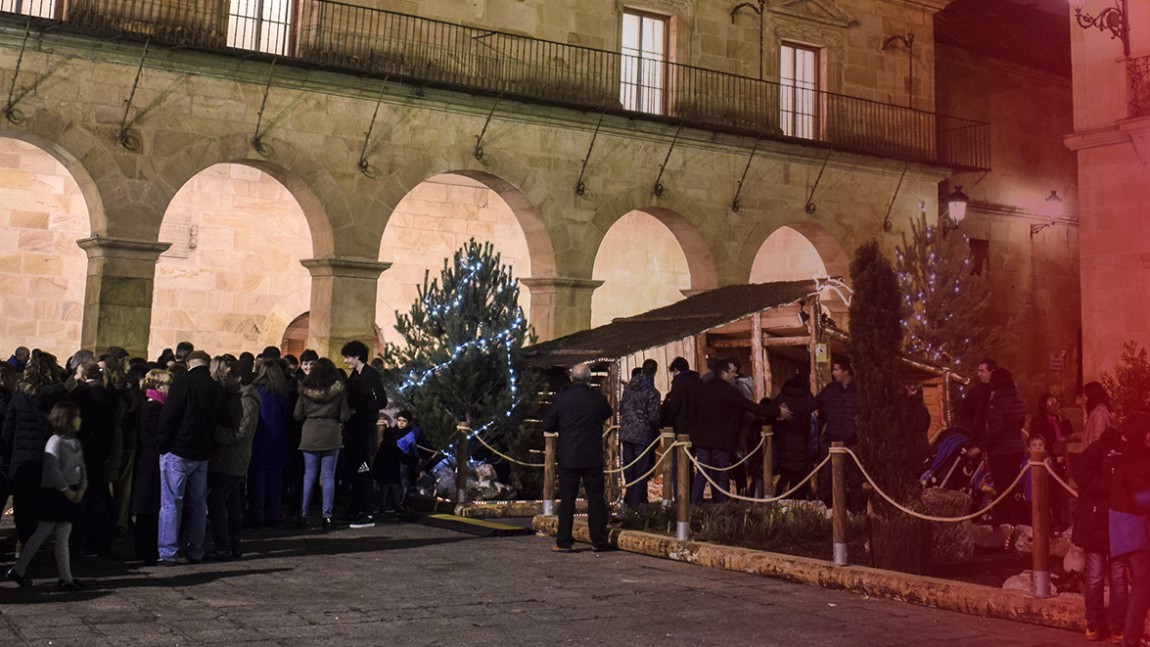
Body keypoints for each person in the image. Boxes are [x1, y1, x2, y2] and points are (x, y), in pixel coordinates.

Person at [6, 402, 87, 591]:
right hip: (55, 494)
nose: (80, 420)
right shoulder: (55, 442)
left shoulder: (72, 441)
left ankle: (62, 577)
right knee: (45, 533)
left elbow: (80, 466)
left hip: (67, 492)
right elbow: (53, 470)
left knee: (58, 535)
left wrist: (81, 487)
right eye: (76, 417)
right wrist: (67, 490)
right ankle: (57, 576)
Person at [157, 350, 225, 565]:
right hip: (202, 453)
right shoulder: (215, 388)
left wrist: (163, 445)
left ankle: (168, 551)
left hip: (179, 450)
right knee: (197, 504)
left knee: (171, 503)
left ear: (188, 364)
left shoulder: (183, 384)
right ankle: (196, 549)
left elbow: (170, 416)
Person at [691, 357, 788, 504]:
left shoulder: (702, 389)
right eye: (732, 373)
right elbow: (752, 408)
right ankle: (722, 507)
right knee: (722, 476)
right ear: (724, 373)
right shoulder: (730, 391)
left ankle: (693, 507)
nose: (735, 376)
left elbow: (693, 412)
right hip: (721, 440)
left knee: (701, 475)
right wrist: (777, 412)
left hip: (702, 439)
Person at [1, 351, 68, 548]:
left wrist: (7, 458)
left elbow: (8, 429)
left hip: (24, 458)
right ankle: (40, 545)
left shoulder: (20, 395)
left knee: (22, 505)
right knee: (46, 504)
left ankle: (22, 544)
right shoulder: (61, 396)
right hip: (52, 458)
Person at [545, 363, 613, 553]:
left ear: (571, 378)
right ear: (589, 379)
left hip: (569, 456)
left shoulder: (562, 399)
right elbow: (608, 413)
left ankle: (564, 541)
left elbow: (549, 425)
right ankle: (598, 540)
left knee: (567, 500)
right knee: (596, 499)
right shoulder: (597, 398)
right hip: (592, 456)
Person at [1073, 420, 1127, 642]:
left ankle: (1111, 624)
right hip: (1099, 522)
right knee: (1104, 576)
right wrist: (1109, 486)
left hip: (1116, 522)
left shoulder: (1129, 451)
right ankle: (1100, 622)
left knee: (1112, 577)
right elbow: (1082, 473)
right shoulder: (1099, 450)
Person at [208, 361, 261, 559]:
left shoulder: (246, 400)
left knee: (218, 502)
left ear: (238, 378)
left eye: (229, 375)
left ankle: (224, 546)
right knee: (231, 503)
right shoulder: (238, 397)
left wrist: (215, 432)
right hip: (229, 458)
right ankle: (232, 546)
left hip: (231, 458)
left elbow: (241, 433)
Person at [1110, 410, 1150, 647]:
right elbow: (1142, 496)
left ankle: (1133, 635)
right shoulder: (1139, 458)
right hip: (1133, 526)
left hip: (1123, 525)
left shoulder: (1129, 454)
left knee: (1141, 580)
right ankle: (1131, 638)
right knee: (1143, 581)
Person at [294, 358, 349, 529]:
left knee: (308, 475)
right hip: (331, 432)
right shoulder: (338, 391)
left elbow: (297, 414)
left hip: (310, 431)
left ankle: (303, 515)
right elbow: (344, 415)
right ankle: (327, 516)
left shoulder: (305, 391)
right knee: (328, 476)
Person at [973, 367, 1027, 527]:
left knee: (1003, 491)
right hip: (1016, 449)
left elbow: (995, 429)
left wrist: (980, 447)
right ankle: (1025, 523)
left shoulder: (996, 403)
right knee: (1013, 488)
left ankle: (1006, 526)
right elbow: (1018, 423)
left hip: (1001, 452)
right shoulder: (1018, 401)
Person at [341, 340, 385, 528]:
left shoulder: (370, 374)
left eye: (348, 357)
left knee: (363, 468)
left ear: (357, 356)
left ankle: (367, 512)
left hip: (364, 427)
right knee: (355, 469)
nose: (345, 361)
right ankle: (355, 508)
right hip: (355, 427)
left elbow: (381, 400)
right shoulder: (356, 375)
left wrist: (361, 409)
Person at [131, 369, 171, 564]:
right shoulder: (153, 407)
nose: (169, 389)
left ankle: (146, 547)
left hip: (151, 458)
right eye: (167, 385)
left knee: (150, 503)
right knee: (148, 504)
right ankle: (145, 548)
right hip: (151, 459)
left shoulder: (155, 405)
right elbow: (155, 435)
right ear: (157, 386)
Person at [247, 358, 292, 528]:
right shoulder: (282, 391)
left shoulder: (256, 390)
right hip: (278, 438)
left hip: (259, 437)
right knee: (275, 479)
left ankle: (257, 513)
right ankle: (274, 512)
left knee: (257, 478)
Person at [618, 360, 660, 508]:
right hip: (643, 436)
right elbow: (654, 417)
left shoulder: (628, 389)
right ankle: (635, 505)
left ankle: (630, 501)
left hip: (626, 434)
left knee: (629, 472)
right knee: (641, 472)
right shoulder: (652, 393)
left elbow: (621, 408)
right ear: (655, 371)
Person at [1030, 393, 1074, 531]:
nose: (1055, 406)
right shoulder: (1039, 422)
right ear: (1044, 407)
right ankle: (1050, 521)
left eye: (1056, 403)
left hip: (1061, 458)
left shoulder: (1058, 419)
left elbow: (1069, 434)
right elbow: (1037, 441)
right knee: (1050, 492)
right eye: (1051, 404)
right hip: (1048, 459)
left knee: (1060, 491)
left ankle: (1061, 520)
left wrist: (1065, 421)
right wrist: (1051, 455)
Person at [772, 376, 816, 499]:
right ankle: (794, 503)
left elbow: (771, 413)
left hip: (783, 443)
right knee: (798, 478)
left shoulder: (781, 397)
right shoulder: (805, 399)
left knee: (784, 476)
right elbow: (807, 426)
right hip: (799, 444)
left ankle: (777, 499)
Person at [958, 358, 997, 440]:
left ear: (992, 372)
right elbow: (965, 414)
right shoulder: (974, 392)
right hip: (976, 438)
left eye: (982, 371)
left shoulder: (1001, 391)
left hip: (997, 440)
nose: (978, 374)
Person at [1081, 381, 1117, 449]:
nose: (1083, 397)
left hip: (1094, 456)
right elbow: (1088, 433)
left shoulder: (1098, 415)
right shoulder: (1096, 412)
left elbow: (1097, 440)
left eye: (1085, 395)